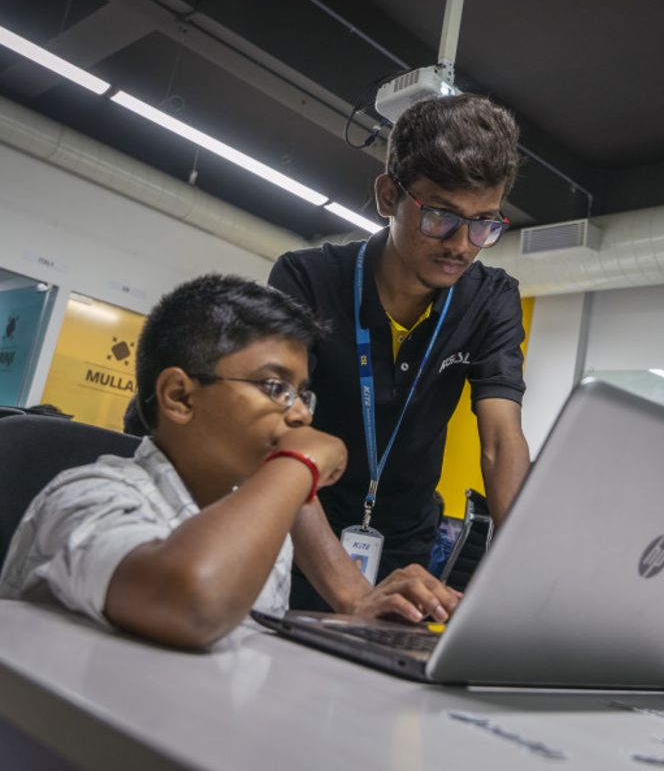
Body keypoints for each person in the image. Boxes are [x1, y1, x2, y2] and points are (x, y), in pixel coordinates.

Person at [0, 275, 459, 649]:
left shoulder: (257, 519)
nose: (299, 413)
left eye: (303, 393)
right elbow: (193, 602)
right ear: (179, 396)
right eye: (275, 387)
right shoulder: (87, 496)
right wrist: (298, 461)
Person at [269, 94, 531, 607]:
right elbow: (279, 436)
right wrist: (350, 594)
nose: (462, 244)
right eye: (441, 216)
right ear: (388, 195)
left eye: (485, 223)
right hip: (296, 532)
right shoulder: (307, 279)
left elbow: (501, 441)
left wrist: (530, 584)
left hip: (407, 550)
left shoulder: (491, 299)